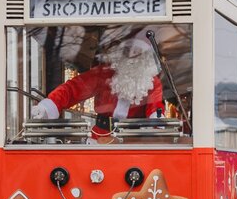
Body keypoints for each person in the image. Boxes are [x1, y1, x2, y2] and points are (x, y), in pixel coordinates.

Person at [31, 37, 163, 139]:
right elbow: (73, 89)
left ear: (145, 56)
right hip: (101, 137)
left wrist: (158, 120)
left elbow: (155, 107)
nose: (133, 55)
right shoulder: (103, 74)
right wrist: (48, 106)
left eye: (138, 51)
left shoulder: (151, 81)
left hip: (134, 140)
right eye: (128, 50)